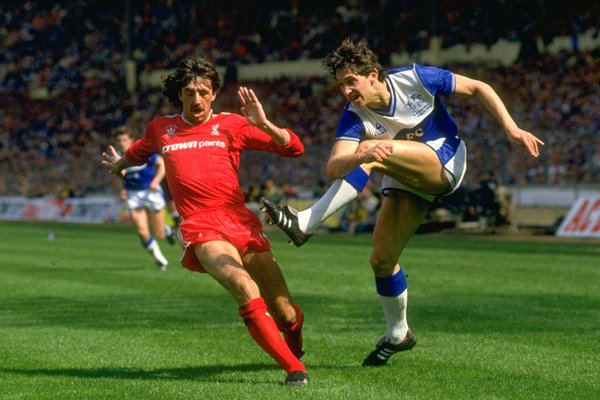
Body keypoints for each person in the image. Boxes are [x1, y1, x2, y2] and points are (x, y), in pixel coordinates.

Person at [260, 38, 544, 367]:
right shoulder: (354, 115)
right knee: (382, 260)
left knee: (375, 153)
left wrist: (511, 128)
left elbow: (479, 87)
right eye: (341, 85)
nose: (346, 92)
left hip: (446, 162)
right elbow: (334, 165)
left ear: (373, 74)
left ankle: (305, 223)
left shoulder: (414, 77)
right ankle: (399, 334)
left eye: (351, 82)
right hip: (405, 177)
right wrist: (361, 152)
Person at [101, 56, 308, 386]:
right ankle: (294, 370)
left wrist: (265, 124)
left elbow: (294, 149)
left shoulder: (232, 124)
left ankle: (294, 349)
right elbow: (137, 152)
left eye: (203, 92)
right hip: (199, 225)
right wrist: (118, 165)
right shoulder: (161, 129)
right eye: (189, 92)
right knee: (244, 287)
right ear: (179, 95)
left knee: (285, 312)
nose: (196, 99)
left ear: (213, 94)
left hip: (240, 221)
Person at [113, 126, 176, 270]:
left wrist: (156, 181)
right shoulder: (117, 155)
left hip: (151, 193)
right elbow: (117, 174)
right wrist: (122, 189)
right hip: (133, 195)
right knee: (142, 231)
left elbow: (162, 165)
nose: (122, 143)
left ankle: (168, 231)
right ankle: (160, 259)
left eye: (124, 139)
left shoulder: (140, 151)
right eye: (119, 140)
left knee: (159, 233)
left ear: (130, 140)